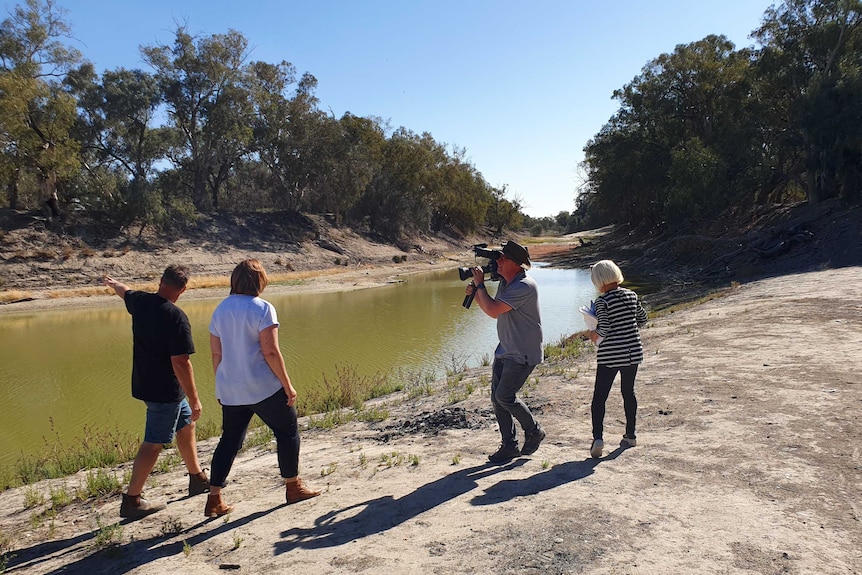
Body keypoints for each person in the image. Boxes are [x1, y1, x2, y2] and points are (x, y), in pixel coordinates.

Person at [205, 259, 320, 517]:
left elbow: (216, 353)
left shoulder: (220, 310)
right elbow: (269, 350)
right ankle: (293, 487)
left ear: (234, 281)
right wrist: (287, 385)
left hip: (232, 389)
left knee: (229, 441)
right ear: (260, 281)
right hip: (263, 386)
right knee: (287, 430)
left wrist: (221, 384)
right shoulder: (263, 308)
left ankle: (214, 498)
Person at [104, 265, 210, 520]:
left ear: (161, 281)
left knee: (186, 425)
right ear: (183, 289)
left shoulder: (140, 301)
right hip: (165, 390)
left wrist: (114, 283)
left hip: (146, 383)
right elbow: (181, 362)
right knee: (154, 442)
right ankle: (132, 500)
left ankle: (197, 478)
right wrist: (195, 398)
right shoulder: (176, 316)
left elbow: (124, 291)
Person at [465, 240, 545, 463]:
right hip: (506, 349)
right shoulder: (507, 283)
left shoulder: (524, 286)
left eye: (503, 258)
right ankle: (509, 446)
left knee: (504, 396)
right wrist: (477, 290)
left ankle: (534, 430)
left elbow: (492, 310)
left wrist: (480, 286)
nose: (498, 262)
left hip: (523, 352)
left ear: (517, 264)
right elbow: (490, 308)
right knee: (497, 399)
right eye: (498, 258)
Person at [587, 260, 648, 458]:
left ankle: (598, 438)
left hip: (610, 353)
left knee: (600, 397)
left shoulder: (602, 301)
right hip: (633, 352)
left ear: (598, 280)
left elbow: (604, 327)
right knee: (628, 392)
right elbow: (643, 319)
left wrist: (594, 334)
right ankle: (630, 435)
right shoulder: (632, 295)